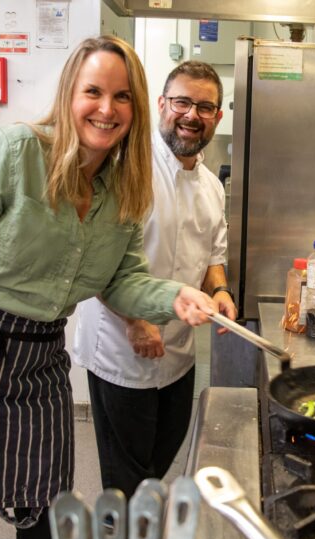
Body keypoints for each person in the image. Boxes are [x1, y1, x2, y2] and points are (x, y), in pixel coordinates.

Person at [0, 37, 215, 539]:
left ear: (136, 108)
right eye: (93, 92)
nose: (107, 109)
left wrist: (175, 297)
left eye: (122, 97)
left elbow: (123, 280)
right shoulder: (14, 153)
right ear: (69, 96)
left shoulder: (124, 187)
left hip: (37, 360)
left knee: (46, 524)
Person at [73, 61, 236, 498]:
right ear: (162, 105)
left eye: (205, 106)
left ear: (218, 117)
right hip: (120, 350)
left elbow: (212, 256)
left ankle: (138, 535)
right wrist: (133, 320)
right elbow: (93, 262)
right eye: (182, 101)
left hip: (179, 352)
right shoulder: (126, 169)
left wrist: (219, 289)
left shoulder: (211, 186)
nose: (191, 115)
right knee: (126, 479)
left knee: (160, 461)